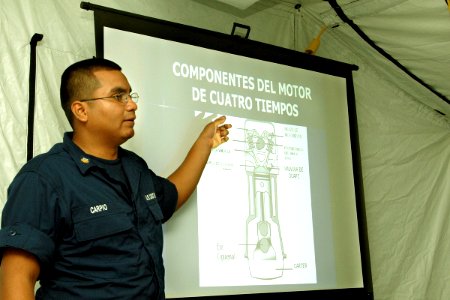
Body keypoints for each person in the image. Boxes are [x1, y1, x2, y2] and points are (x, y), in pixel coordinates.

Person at [0, 58, 231, 299]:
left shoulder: (134, 167)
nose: (132, 105)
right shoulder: (43, 178)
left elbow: (172, 196)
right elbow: (17, 278)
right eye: (118, 96)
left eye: (131, 95)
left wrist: (204, 144)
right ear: (81, 110)